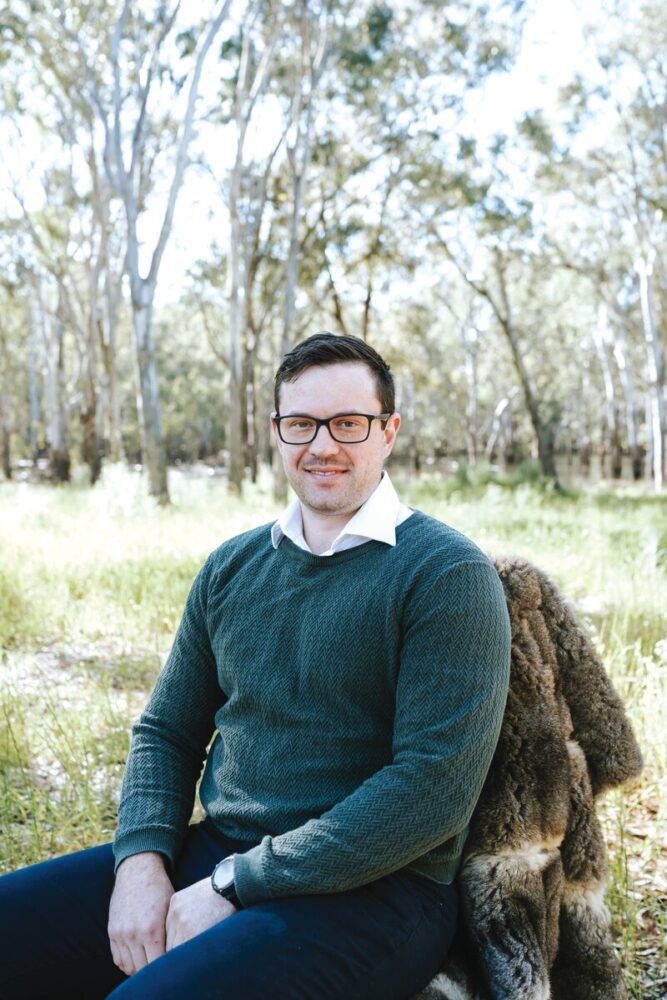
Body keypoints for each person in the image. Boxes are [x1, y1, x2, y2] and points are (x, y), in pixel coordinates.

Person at [0, 332, 511, 1000]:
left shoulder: (446, 574)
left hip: (379, 894)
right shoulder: (232, 566)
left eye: (348, 424)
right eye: (301, 424)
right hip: (222, 850)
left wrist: (237, 883)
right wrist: (141, 860)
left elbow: (431, 790)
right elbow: (166, 732)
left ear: (388, 432)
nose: (322, 445)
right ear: (276, 431)